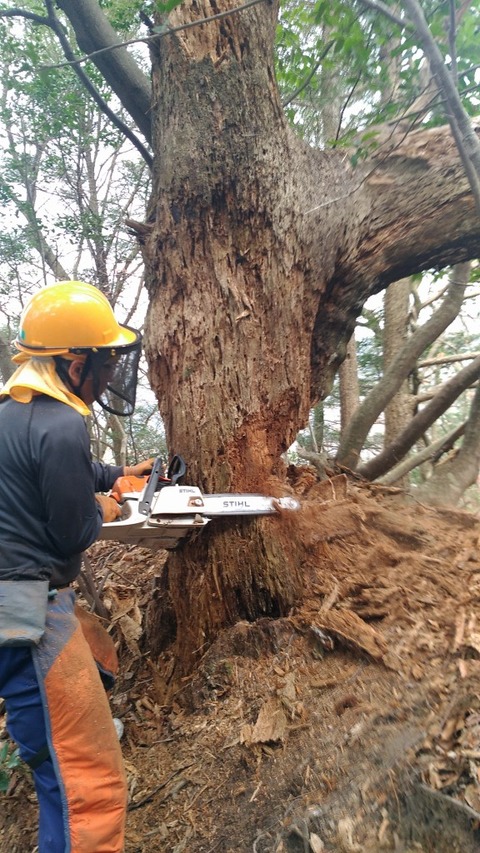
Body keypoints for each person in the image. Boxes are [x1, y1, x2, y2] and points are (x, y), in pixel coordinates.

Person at [0, 280, 153, 852]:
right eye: (104, 359)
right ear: (72, 361)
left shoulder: (13, 415)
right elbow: (76, 530)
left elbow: (50, 468)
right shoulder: (61, 424)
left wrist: (112, 473)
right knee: (84, 781)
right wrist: (107, 505)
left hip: (11, 600)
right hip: (26, 606)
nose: (110, 372)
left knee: (54, 758)